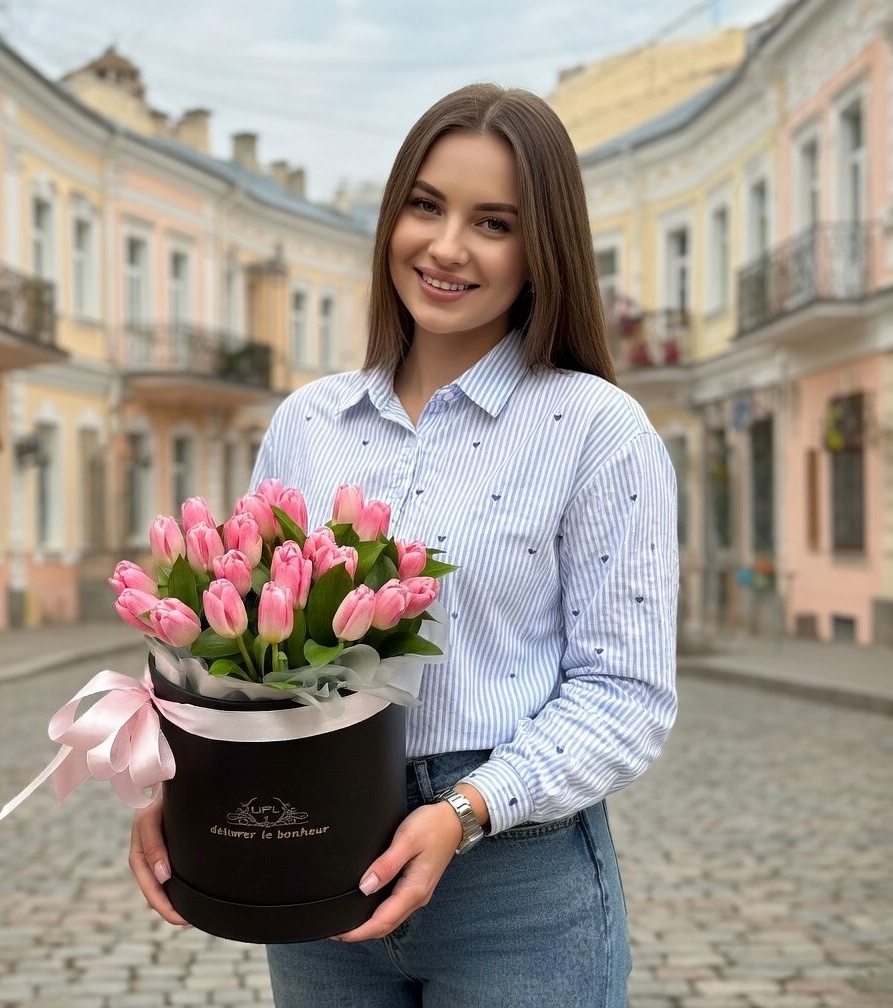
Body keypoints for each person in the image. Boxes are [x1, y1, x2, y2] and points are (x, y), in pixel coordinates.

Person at [130, 82, 678, 1007]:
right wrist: (180, 790)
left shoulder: (598, 430)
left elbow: (626, 694)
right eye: (426, 206)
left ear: (542, 249)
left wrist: (464, 813)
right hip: (316, 868)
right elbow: (254, 662)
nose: (446, 247)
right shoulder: (309, 424)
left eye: (493, 222)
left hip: (518, 883)